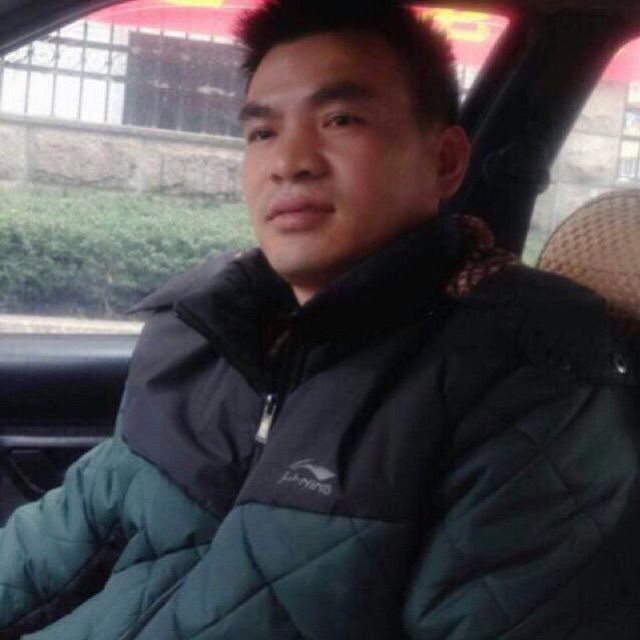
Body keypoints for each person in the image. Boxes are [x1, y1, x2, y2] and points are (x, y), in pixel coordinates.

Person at [1, 0, 638, 638]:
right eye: (262, 132)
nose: (289, 161)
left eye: (340, 119)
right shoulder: (208, 331)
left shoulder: (526, 388)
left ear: (445, 161)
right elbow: (64, 536)